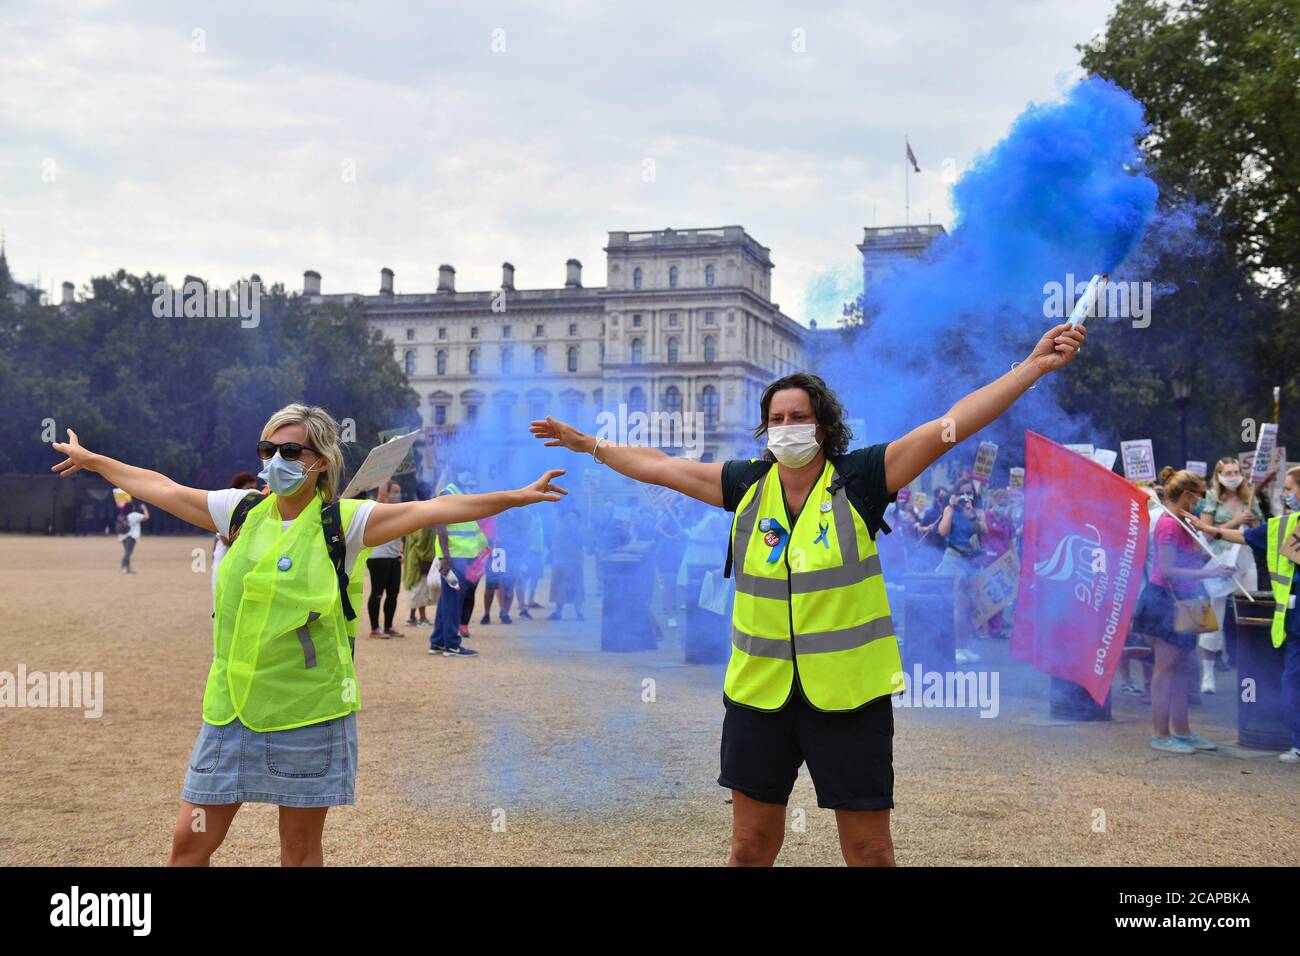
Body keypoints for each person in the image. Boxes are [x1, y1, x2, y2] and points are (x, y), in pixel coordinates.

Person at [532, 320, 1086, 866]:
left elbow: (952, 424)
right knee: (750, 849)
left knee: (869, 852)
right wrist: (590, 445)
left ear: (822, 427)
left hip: (848, 699)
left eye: (799, 417)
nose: (786, 427)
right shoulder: (745, 484)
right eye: (776, 419)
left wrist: (1033, 366)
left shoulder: (864, 478)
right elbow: (658, 467)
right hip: (758, 696)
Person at [51, 403, 565, 865]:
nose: (274, 459)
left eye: (289, 450)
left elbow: (428, 511)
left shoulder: (344, 521)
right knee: (189, 844)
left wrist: (516, 497)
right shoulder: (240, 509)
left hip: (308, 712)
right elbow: (161, 486)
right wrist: (95, 461)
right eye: (267, 449)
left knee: (298, 852)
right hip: (230, 708)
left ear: (318, 460)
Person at [1132, 469, 1234, 754]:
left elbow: (1188, 560)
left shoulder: (1184, 522)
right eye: (1199, 494)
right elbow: (1166, 569)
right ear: (1187, 495)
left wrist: (1215, 561)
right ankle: (1161, 735)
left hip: (1186, 599)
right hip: (1165, 599)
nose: (1202, 500)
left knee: (1182, 668)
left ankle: (1183, 731)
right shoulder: (1168, 524)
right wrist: (1210, 572)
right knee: (1166, 669)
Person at [1210, 464, 1300, 764]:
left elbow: (1248, 538)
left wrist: (1208, 529)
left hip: (1296, 620)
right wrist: (1209, 528)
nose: (1286, 495)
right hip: (1294, 617)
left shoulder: (1288, 526)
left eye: (1289, 489)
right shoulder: (1286, 525)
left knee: (1293, 680)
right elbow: (1249, 537)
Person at [1191, 456, 1262, 692]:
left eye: (1236, 472)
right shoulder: (1211, 498)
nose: (1233, 476)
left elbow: (1261, 532)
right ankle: (1208, 675)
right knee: (1214, 615)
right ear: (1219, 475)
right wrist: (1235, 521)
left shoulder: (1248, 497)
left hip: (1245, 561)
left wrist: (1251, 523)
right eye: (1228, 473)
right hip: (1219, 562)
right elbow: (1207, 533)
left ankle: (1254, 673)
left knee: (1251, 614)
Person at [430, 475, 491, 656]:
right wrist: (446, 557)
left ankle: (439, 642)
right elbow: (440, 526)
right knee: (453, 602)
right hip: (454, 557)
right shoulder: (449, 493)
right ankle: (452, 644)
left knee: (447, 601)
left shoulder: (461, 494)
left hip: (461, 556)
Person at [935, 477, 987, 663]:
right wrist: (950, 508)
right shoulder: (950, 510)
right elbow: (943, 531)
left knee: (969, 606)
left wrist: (972, 514)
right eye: (962, 492)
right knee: (959, 605)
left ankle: (965, 646)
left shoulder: (978, 511)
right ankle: (955, 648)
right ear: (955, 494)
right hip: (954, 559)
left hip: (971, 561)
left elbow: (984, 530)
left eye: (969, 492)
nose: (966, 495)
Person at [366, 480, 405, 639]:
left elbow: (402, 534)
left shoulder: (399, 510)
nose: (398, 494)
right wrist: (384, 474)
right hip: (378, 557)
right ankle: (375, 628)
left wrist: (401, 551)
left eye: (399, 491)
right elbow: (381, 495)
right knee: (377, 593)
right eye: (394, 491)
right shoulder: (380, 508)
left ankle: (388, 626)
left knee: (393, 593)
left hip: (394, 557)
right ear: (386, 493)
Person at [212, 472, 259, 600]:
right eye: (248, 488)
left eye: (255, 488)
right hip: (224, 561)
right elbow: (226, 540)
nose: (253, 491)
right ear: (238, 488)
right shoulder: (227, 507)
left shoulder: (253, 510)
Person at [547, 504, 587, 620]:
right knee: (561, 585)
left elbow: (579, 539)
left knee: (575, 586)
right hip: (563, 560)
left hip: (571, 560)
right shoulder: (562, 525)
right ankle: (560, 612)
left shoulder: (572, 524)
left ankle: (578, 613)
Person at [402, 520, 436, 627]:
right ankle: (422, 618)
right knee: (421, 589)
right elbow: (421, 544)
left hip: (413, 559)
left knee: (415, 588)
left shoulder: (413, 523)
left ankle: (412, 617)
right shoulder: (423, 525)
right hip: (419, 561)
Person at [914, 486, 950, 570]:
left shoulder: (950, 511)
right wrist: (927, 528)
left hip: (946, 547)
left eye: (945, 496)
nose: (943, 499)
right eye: (941, 496)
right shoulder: (930, 512)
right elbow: (920, 528)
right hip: (933, 547)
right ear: (936, 498)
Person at [116, 496, 149, 573]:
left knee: (127, 553)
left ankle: (128, 569)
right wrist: (144, 508)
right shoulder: (133, 515)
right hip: (131, 536)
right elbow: (146, 517)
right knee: (128, 553)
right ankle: (123, 568)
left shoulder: (121, 515)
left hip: (122, 536)